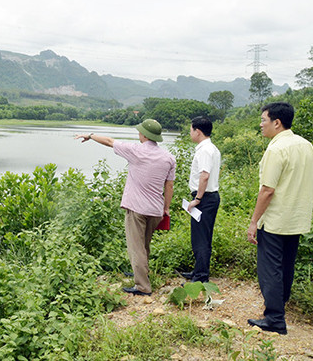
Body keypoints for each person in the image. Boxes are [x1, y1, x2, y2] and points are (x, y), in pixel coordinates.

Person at [75, 118, 175, 296]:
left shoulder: (135, 151)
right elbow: (169, 186)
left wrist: (90, 135)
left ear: (143, 134)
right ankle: (142, 273)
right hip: (155, 210)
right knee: (144, 246)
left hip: (137, 209)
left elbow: (109, 141)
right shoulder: (168, 158)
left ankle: (143, 286)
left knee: (136, 248)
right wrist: (166, 209)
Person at [246, 102, 313, 335]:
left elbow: (267, 190)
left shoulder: (276, 149)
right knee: (286, 265)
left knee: (270, 269)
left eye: (263, 120)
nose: (261, 124)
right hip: (296, 218)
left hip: (276, 219)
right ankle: (279, 308)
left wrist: (254, 221)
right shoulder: (307, 146)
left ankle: (275, 318)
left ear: (277, 122)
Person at [181, 116, 221, 283]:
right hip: (209, 197)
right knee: (202, 237)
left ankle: (201, 276)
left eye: (191, 130)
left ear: (198, 131)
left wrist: (197, 199)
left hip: (204, 198)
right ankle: (199, 270)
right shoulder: (212, 148)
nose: (190, 133)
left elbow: (204, 176)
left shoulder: (205, 150)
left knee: (201, 239)